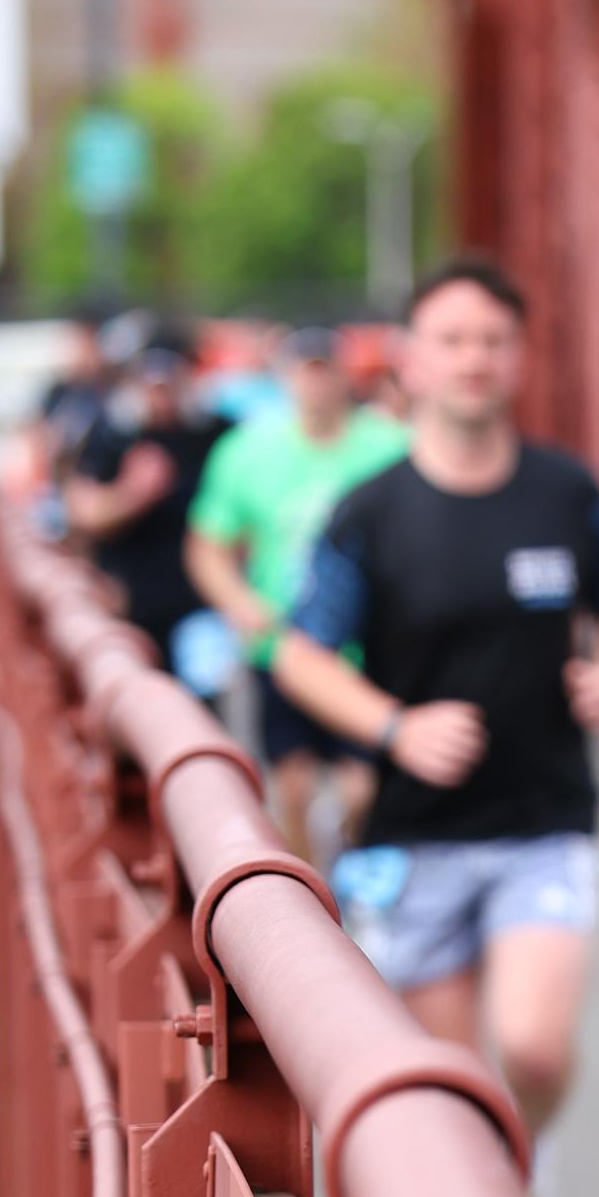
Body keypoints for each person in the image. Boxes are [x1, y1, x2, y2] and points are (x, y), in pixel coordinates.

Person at [269, 256, 599, 1159]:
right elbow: (301, 657)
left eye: (493, 341)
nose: (473, 359)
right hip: (415, 831)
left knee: (534, 1050)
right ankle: (506, 1194)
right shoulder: (370, 512)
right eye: (452, 340)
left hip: (544, 819)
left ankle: (528, 1169)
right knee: (456, 1091)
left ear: (520, 358)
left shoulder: (564, 492)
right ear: (411, 361)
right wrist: (396, 727)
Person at [183, 324, 412, 858]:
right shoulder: (249, 451)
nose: (316, 385)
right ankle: (307, 889)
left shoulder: (389, 445)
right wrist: (238, 602)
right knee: (293, 787)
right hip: (283, 643)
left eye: (325, 371)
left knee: (362, 789)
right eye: (305, 373)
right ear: (286, 378)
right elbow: (209, 544)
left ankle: (351, 868)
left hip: (364, 646)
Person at [63, 327, 234, 689]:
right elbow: (83, 512)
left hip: (199, 605)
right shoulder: (111, 434)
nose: (161, 394)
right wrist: (132, 494)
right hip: (132, 602)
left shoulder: (217, 434)